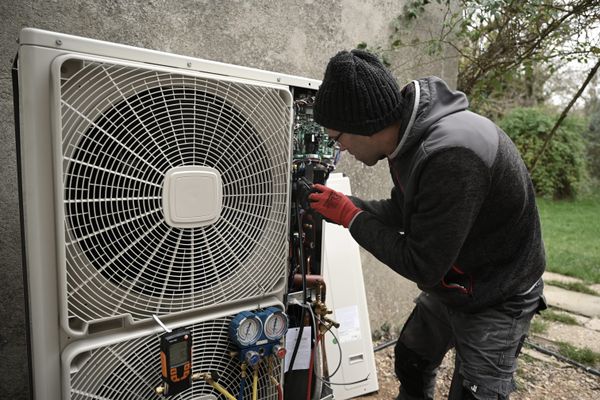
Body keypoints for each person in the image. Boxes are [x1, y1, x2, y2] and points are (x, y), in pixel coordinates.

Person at [308, 49, 546, 400]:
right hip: (458, 274)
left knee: (474, 392)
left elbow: (423, 264)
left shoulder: (451, 156)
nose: (340, 149)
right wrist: (348, 205)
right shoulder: (407, 138)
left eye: (336, 138)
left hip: (498, 289)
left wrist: (351, 218)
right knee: (411, 359)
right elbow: (406, 211)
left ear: (364, 125)